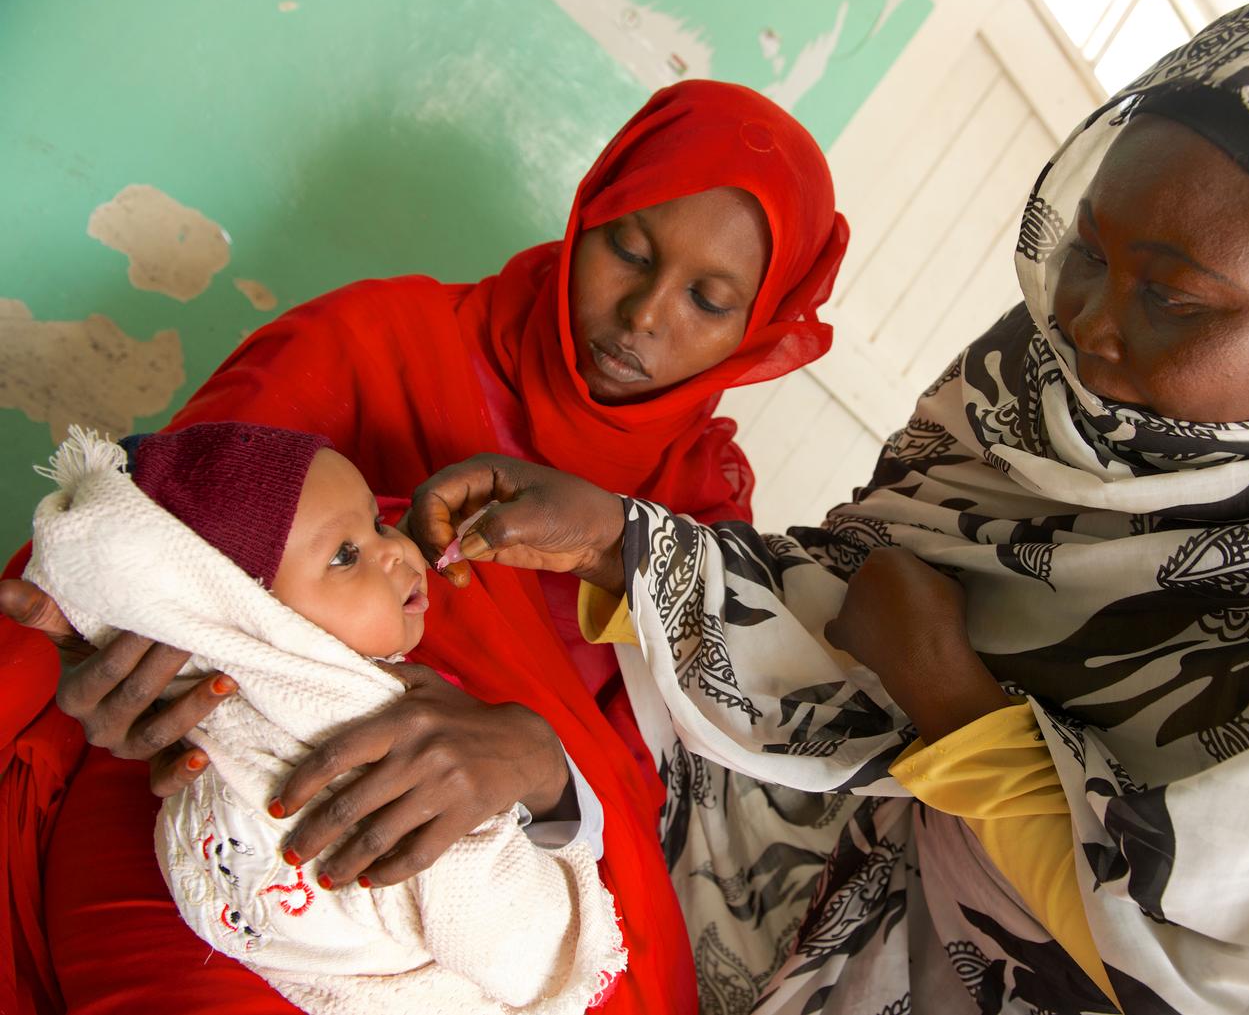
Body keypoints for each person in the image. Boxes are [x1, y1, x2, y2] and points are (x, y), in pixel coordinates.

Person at [401, 0, 1249, 1012]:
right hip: (788, 911)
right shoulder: (1043, 375)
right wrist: (616, 538)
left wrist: (951, 693)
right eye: (1088, 249)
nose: (1089, 321)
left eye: (1176, 299)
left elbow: (1241, 970)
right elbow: (850, 593)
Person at [0, 78, 847, 1014]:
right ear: (587, 212)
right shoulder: (372, 341)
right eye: (628, 248)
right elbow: (142, 546)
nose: (646, 313)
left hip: (494, 879)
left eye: (709, 298)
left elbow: (666, 792)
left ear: (760, 333)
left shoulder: (692, 528)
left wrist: (535, 759)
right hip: (232, 809)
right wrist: (117, 654)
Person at [26, 421, 623, 1014]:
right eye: (345, 556)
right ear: (251, 623)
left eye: (377, 523)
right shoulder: (371, 763)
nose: (397, 549)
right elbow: (530, 956)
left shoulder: (210, 768)